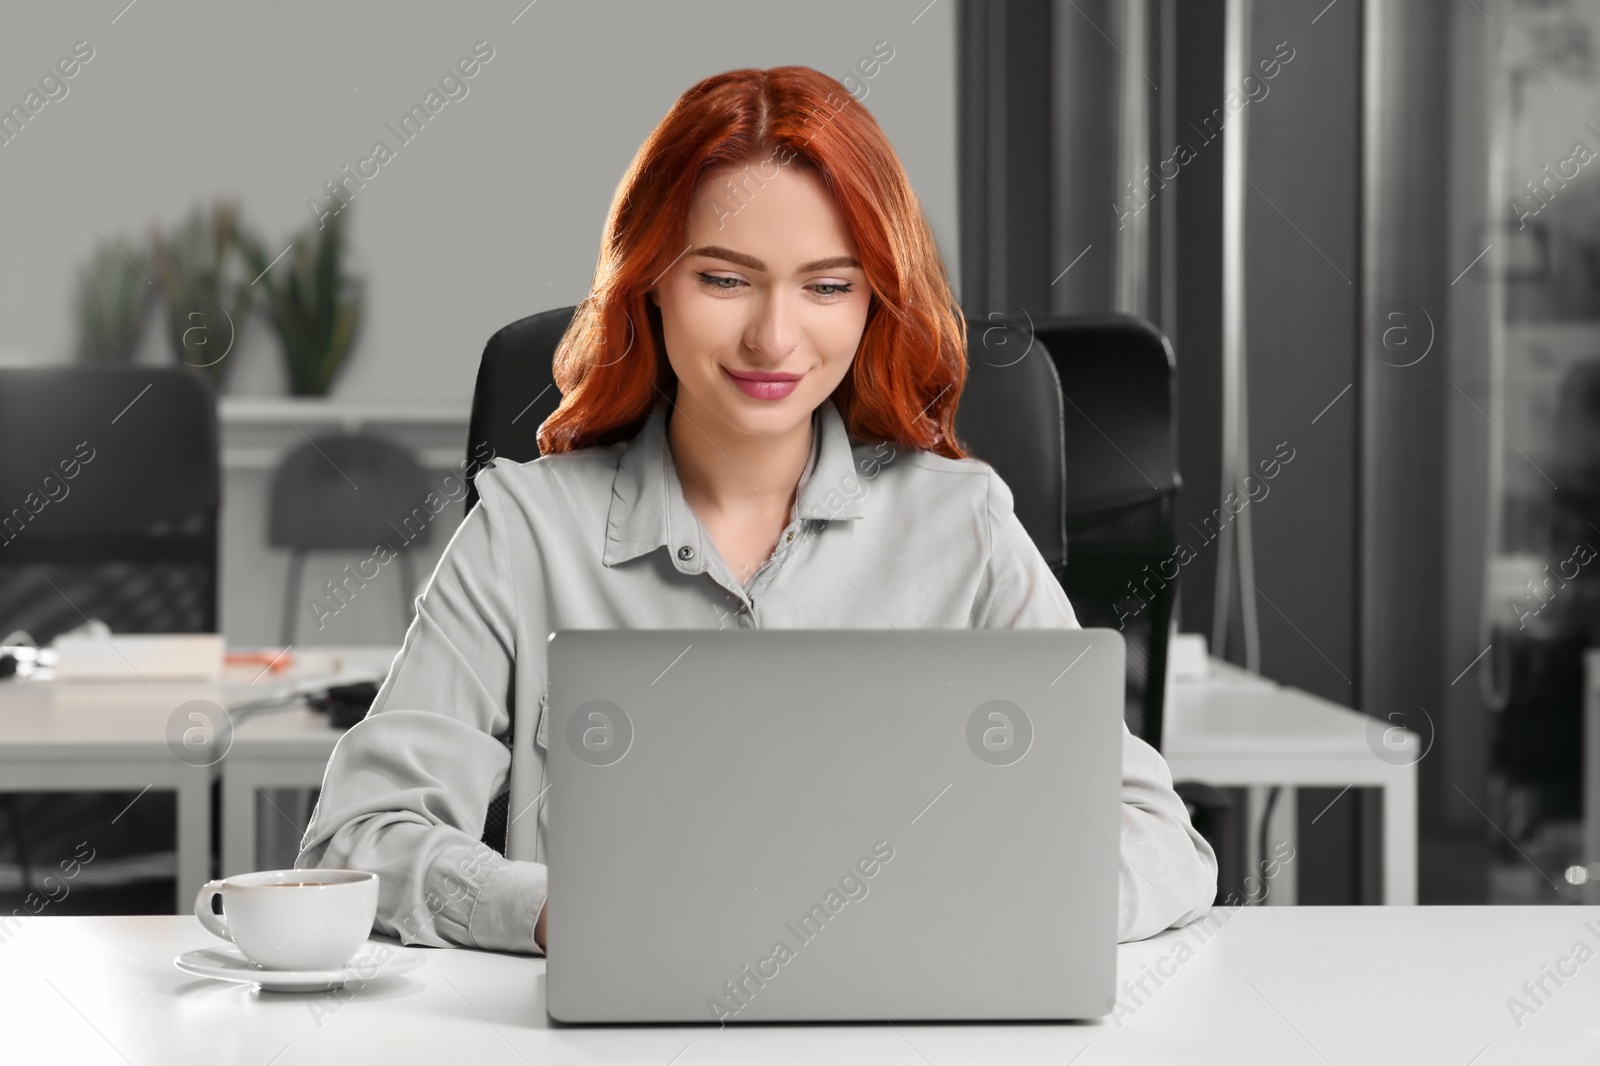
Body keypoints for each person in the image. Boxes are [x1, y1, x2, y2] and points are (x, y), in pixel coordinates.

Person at [294, 65, 1217, 955]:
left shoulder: (962, 528)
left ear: (872, 302)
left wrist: (965, 912)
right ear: (650, 281)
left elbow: (1156, 841)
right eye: (725, 279)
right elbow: (356, 841)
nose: (774, 337)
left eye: (826, 285)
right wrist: (544, 912)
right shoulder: (523, 531)